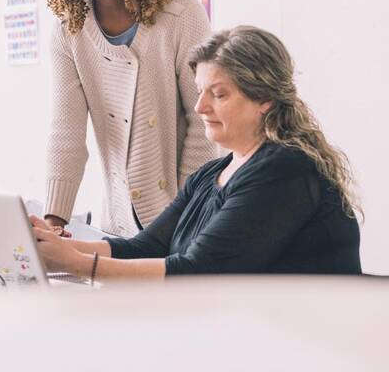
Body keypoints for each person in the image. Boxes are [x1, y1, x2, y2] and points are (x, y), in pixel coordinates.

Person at [32, 26, 362, 277]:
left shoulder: (285, 171)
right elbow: (145, 247)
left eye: (218, 94)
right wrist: (58, 246)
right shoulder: (210, 175)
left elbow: (197, 272)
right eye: (201, 91)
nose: (200, 106)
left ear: (265, 99)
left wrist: (74, 263)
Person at [39, 0, 217, 237]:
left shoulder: (182, 15)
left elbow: (202, 123)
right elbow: (66, 134)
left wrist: (186, 211)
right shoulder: (68, 33)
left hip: (187, 217)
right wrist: (54, 220)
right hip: (119, 222)